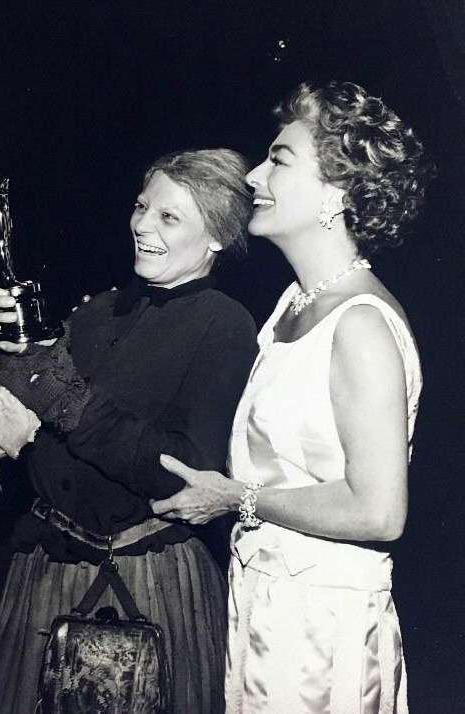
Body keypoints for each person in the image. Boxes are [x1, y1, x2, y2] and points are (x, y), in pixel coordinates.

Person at [0, 148, 259, 714]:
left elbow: (186, 472)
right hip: (43, 569)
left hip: (148, 581)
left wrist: (69, 401)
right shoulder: (103, 308)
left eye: (169, 216)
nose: (142, 225)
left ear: (216, 237)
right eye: (142, 207)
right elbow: (16, 423)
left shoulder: (224, 323)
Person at [151, 81, 436, 713]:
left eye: (279, 159)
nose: (254, 174)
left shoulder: (361, 325)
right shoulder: (291, 305)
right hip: (264, 605)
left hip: (323, 632)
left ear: (339, 190)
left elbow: (381, 510)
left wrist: (238, 498)